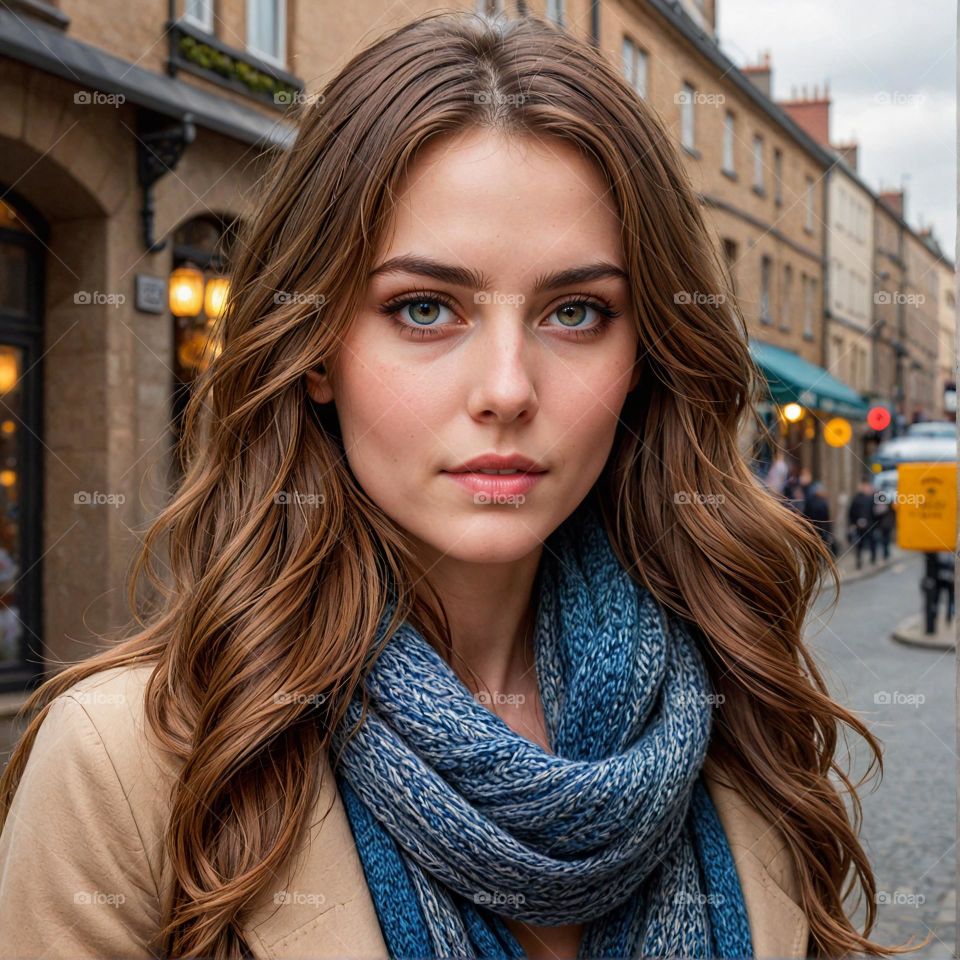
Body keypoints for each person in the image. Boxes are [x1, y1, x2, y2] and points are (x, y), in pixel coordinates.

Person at [0, 13, 920, 960]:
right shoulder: (125, 767)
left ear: (646, 355)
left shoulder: (737, 708)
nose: (508, 390)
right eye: (425, 308)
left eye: (576, 312)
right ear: (316, 352)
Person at [848, 479, 880, 570]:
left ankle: (872, 559)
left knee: (870, 542)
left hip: (868, 524)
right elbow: (852, 512)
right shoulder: (858, 499)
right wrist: (853, 523)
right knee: (861, 543)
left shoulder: (870, 498)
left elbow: (875, 512)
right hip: (863, 525)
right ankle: (861, 560)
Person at [803, 481, 836, 556]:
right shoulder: (823, 502)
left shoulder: (810, 501)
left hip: (812, 529)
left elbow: (805, 515)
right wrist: (830, 531)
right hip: (821, 530)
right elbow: (826, 519)